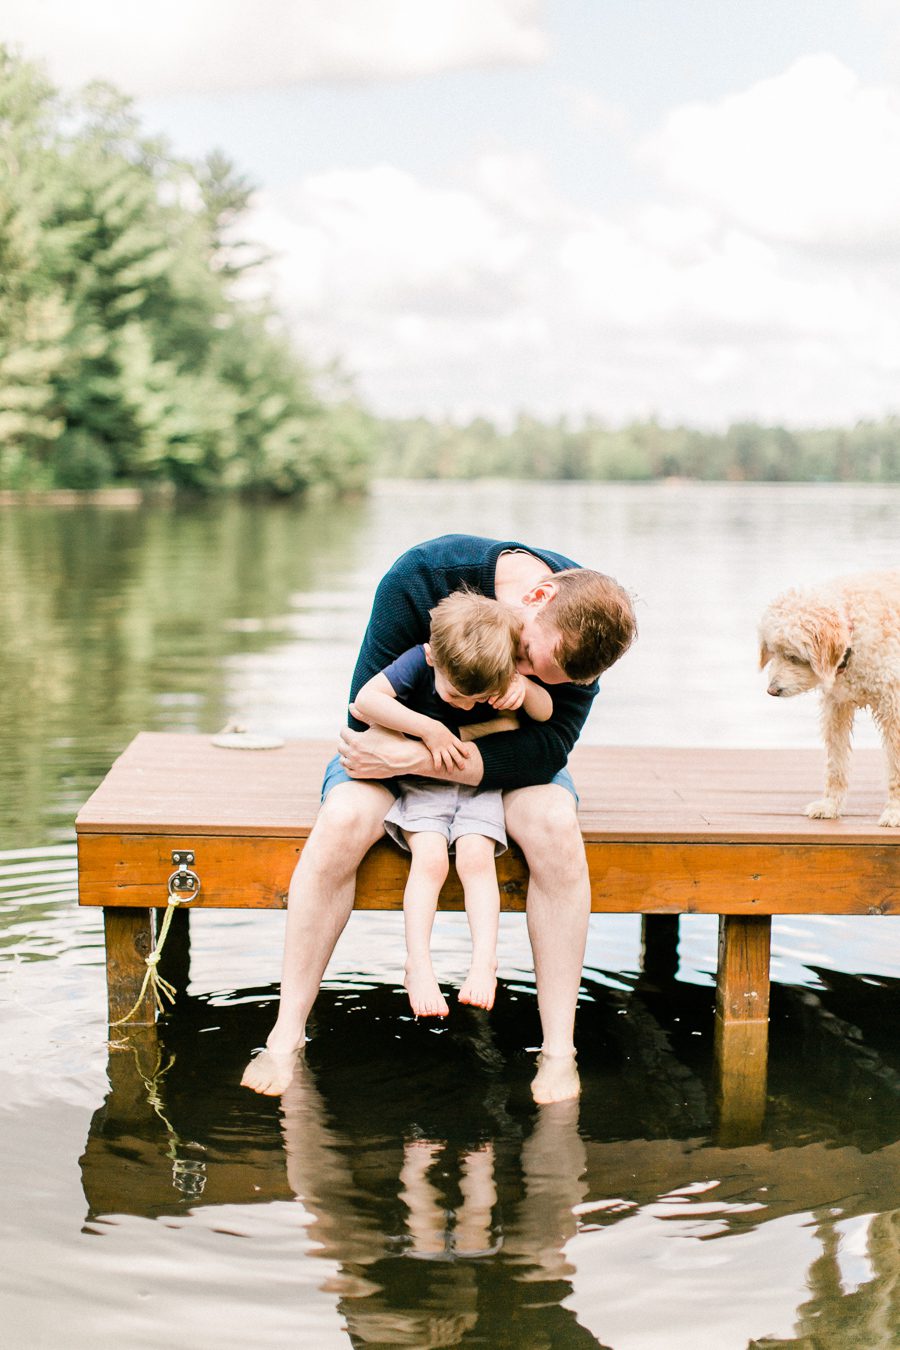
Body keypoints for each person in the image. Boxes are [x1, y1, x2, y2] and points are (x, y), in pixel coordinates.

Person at [242, 534, 636, 1105]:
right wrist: (418, 746)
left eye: (541, 676)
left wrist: (432, 756)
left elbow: (550, 748)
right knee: (344, 818)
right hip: (394, 743)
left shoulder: (586, 634)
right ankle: (285, 1034)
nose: (520, 677)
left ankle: (558, 1051)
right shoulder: (424, 575)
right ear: (538, 595)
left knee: (555, 826)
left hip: (494, 757)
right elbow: (365, 706)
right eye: (525, 659)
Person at [351, 588, 553, 1018]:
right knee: (431, 860)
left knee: (477, 858)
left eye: (473, 700)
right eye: (455, 694)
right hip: (423, 784)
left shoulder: (495, 674)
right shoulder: (419, 660)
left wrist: (521, 689)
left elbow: (542, 713)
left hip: (480, 783)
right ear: (432, 658)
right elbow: (364, 702)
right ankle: (418, 963)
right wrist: (431, 729)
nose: (463, 705)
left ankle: (485, 960)